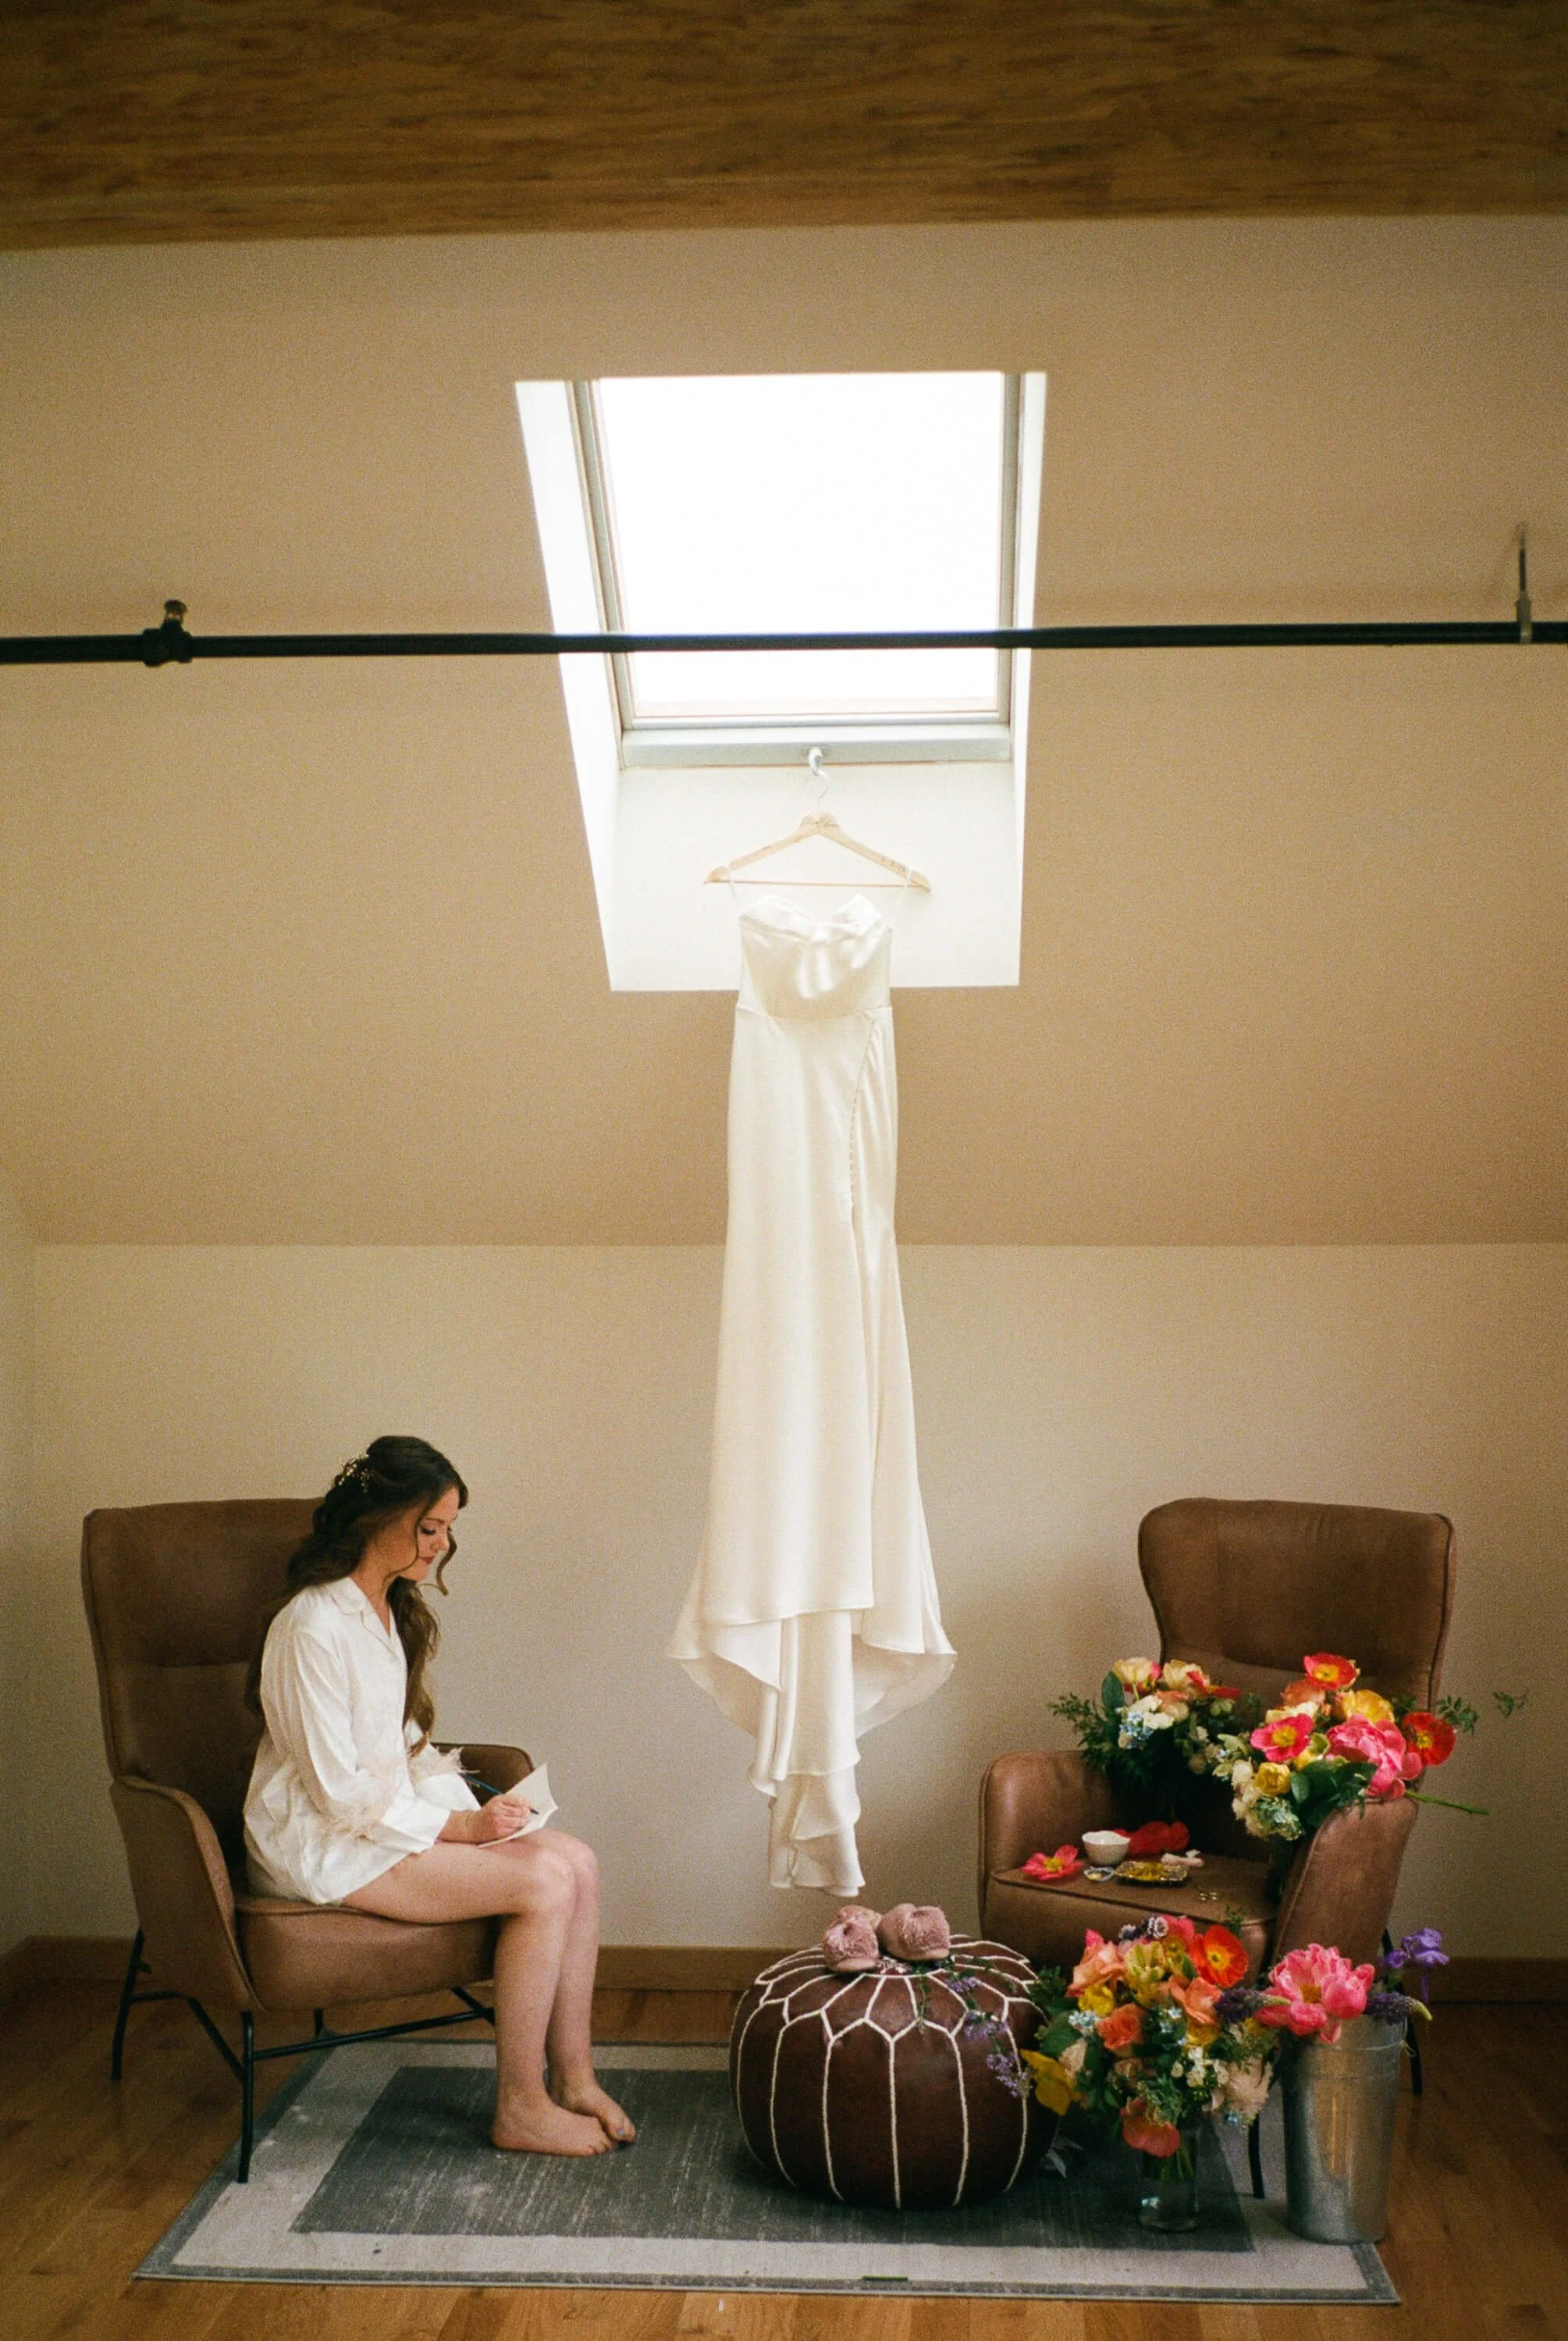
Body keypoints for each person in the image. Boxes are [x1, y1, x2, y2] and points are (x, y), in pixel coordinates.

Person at [244, 1434, 633, 2157]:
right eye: (430, 1527)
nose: (442, 1545)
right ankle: (520, 2105)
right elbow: (338, 1795)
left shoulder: (386, 1612)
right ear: (376, 1519)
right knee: (545, 1884)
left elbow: (401, 1749)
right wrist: (459, 1826)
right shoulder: (310, 1627)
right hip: (323, 1843)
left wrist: (487, 1813)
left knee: (576, 1859)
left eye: (448, 1529)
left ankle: (574, 2077)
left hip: (373, 1826)